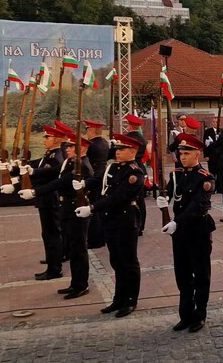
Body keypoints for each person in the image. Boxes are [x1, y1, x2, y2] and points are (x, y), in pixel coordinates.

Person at [74, 133, 145, 318]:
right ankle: (119, 298)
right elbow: (100, 180)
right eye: (118, 149)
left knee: (128, 262)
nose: (118, 152)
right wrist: (84, 183)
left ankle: (130, 300)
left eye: (122, 149)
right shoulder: (113, 167)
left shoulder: (134, 173)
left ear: (133, 151)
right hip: (111, 219)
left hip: (125, 220)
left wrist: (92, 207)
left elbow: (118, 197)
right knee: (116, 261)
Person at [19, 132, 94, 300]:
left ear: (81, 148)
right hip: (67, 207)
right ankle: (75, 283)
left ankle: (81, 285)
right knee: (74, 249)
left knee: (78, 249)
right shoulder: (72, 162)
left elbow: (60, 182)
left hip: (76, 208)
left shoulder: (81, 165)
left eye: (71, 146)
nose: (67, 149)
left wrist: (35, 192)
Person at [160, 133, 216, 333]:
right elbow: (167, 192)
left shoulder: (206, 178)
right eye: (181, 154)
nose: (182, 157)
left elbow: (198, 205)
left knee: (201, 275)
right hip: (180, 232)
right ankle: (185, 314)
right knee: (182, 275)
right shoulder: (176, 175)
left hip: (198, 230)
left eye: (187, 153)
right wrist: (161, 200)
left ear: (197, 154)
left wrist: (176, 221)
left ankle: (199, 314)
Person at [0, 125, 65, 280]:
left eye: (47, 137)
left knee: (52, 234)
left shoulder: (57, 156)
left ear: (56, 139)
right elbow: (35, 165)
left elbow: (47, 172)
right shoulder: (49, 154)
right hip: (45, 199)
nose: (44, 140)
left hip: (50, 199)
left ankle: (55, 268)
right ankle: (52, 263)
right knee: (47, 234)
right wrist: (13, 169)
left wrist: (31, 172)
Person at [84, 119, 109, 249]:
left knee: (93, 208)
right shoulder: (104, 142)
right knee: (99, 208)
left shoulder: (91, 145)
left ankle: (95, 239)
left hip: (93, 177)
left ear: (92, 130)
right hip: (102, 176)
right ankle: (101, 237)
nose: (86, 132)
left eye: (87, 130)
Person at [123, 115, 148, 235]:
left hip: (130, 167)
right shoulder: (142, 138)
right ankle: (141, 225)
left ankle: (133, 224)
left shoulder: (126, 138)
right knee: (141, 199)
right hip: (140, 166)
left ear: (130, 125)